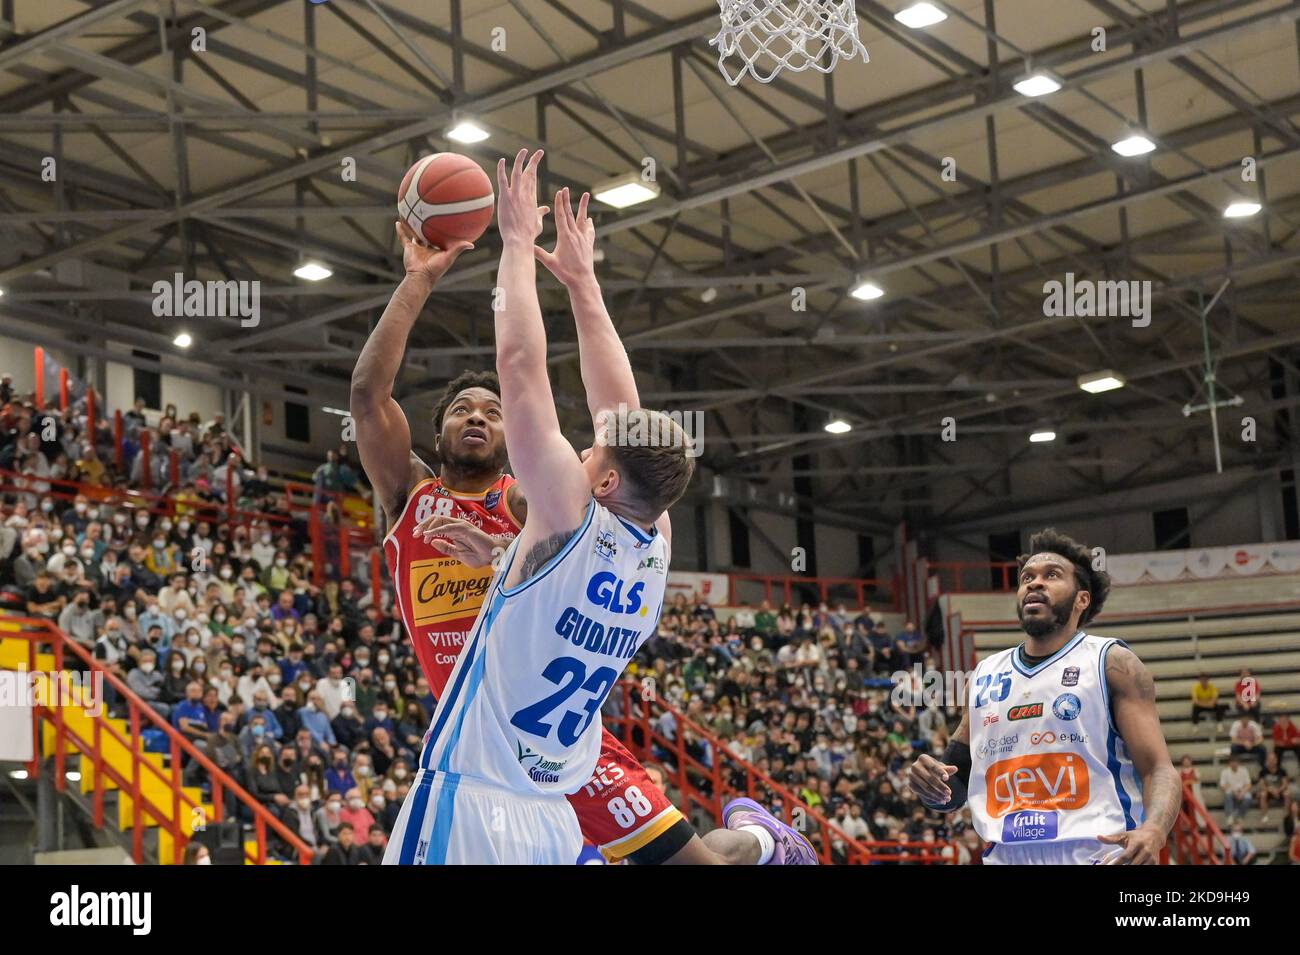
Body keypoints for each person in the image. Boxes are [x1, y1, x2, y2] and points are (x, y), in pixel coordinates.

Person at [353, 159, 798, 866]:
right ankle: (764, 843)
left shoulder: (556, 510)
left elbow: (523, 365)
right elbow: (621, 412)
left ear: (604, 481)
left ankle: (758, 842)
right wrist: (585, 285)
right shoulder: (654, 539)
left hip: (472, 788)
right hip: (550, 803)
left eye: (591, 452)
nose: (581, 447)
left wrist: (516, 242)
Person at [907, 528, 1180, 864]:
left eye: (1051, 575)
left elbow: (1158, 768)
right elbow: (954, 785)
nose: (1034, 583)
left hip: (1099, 852)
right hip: (1007, 856)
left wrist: (1154, 829)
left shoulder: (1112, 663)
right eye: (1026, 577)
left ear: (1082, 599)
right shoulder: (984, 675)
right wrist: (930, 784)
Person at [1257, 751, 1290, 825]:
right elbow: (1262, 785)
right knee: (1262, 794)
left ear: (1276, 760)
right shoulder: (1263, 771)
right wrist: (1271, 790)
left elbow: (1285, 784)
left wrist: (1278, 790)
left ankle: (1286, 814)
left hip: (1279, 790)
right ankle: (1264, 816)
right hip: (1268, 791)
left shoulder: (1282, 771)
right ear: (1267, 761)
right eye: (1269, 760)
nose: (1271, 761)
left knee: (1287, 794)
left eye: (1273, 760)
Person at [1219, 755, 1254, 824]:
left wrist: (1243, 792)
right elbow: (1222, 785)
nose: (1234, 764)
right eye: (1232, 762)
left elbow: (1249, 784)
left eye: (1235, 762)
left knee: (1248, 797)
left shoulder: (1244, 770)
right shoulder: (1225, 772)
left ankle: (1240, 816)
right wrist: (1233, 791)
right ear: (1229, 763)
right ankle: (1229, 816)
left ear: (1238, 763)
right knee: (1228, 794)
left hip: (1242, 790)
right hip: (1231, 790)